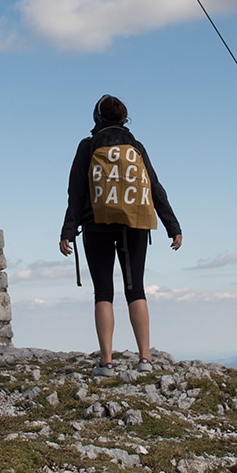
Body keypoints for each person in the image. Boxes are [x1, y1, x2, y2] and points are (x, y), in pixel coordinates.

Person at [60, 94, 182, 376]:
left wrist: (68, 230)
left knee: (103, 292)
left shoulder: (88, 146)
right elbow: (154, 186)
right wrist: (172, 226)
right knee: (135, 289)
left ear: (96, 118)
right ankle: (145, 359)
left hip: (96, 224)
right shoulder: (135, 147)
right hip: (135, 224)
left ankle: (106, 363)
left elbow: (76, 191)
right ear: (124, 119)